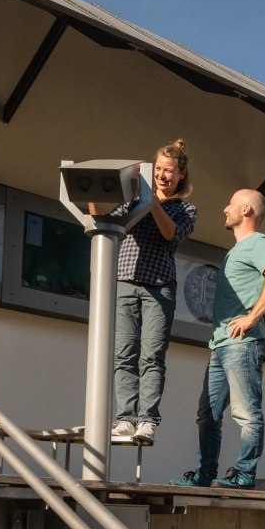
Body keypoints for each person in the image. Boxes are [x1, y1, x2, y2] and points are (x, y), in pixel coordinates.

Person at [171, 188, 265, 490]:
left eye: (231, 204)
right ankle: (206, 474)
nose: (225, 209)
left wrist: (252, 317)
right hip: (221, 345)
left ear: (247, 209)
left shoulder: (258, 243)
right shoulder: (235, 251)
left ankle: (245, 473)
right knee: (207, 414)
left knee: (246, 412)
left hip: (243, 344)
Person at [111, 139, 198, 446]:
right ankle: (125, 418)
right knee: (124, 354)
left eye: (169, 171)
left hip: (159, 286)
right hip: (125, 280)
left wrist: (153, 200)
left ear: (181, 175)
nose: (162, 176)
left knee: (152, 356)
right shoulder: (134, 199)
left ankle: (147, 419)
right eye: (158, 169)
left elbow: (170, 234)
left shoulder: (185, 208)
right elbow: (109, 219)